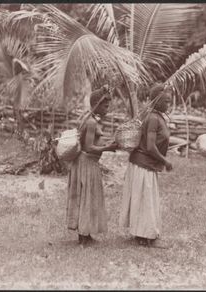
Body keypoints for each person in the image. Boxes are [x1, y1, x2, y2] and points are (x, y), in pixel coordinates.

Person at [119, 83, 173, 247]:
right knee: (146, 201)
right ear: (156, 101)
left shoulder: (157, 117)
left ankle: (142, 234)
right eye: (165, 101)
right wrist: (165, 161)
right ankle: (148, 237)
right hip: (143, 164)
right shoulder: (152, 119)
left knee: (144, 200)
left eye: (169, 101)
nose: (168, 105)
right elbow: (150, 146)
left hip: (145, 164)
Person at [67, 85, 117, 246]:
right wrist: (108, 148)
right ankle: (83, 236)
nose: (107, 108)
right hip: (86, 163)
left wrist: (105, 145)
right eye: (105, 105)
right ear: (97, 104)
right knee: (87, 197)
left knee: (86, 197)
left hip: (85, 163)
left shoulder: (89, 118)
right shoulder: (91, 122)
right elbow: (88, 147)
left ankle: (85, 234)